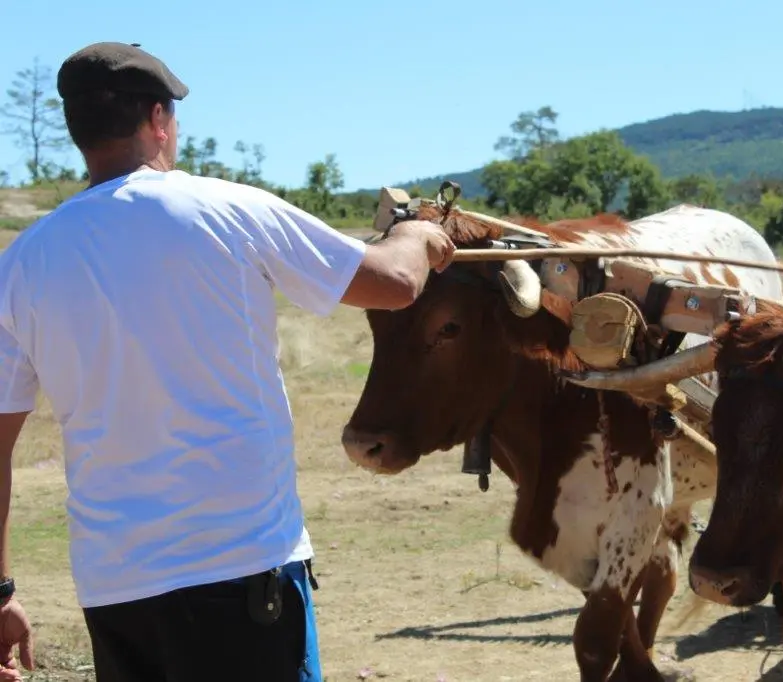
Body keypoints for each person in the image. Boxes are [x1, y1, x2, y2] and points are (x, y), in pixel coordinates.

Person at [0, 41, 455, 682]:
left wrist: (0, 593)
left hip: (115, 592)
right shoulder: (228, 209)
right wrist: (417, 235)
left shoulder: (22, 263)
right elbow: (394, 284)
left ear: (79, 133)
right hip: (244, 574)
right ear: (159, 119)